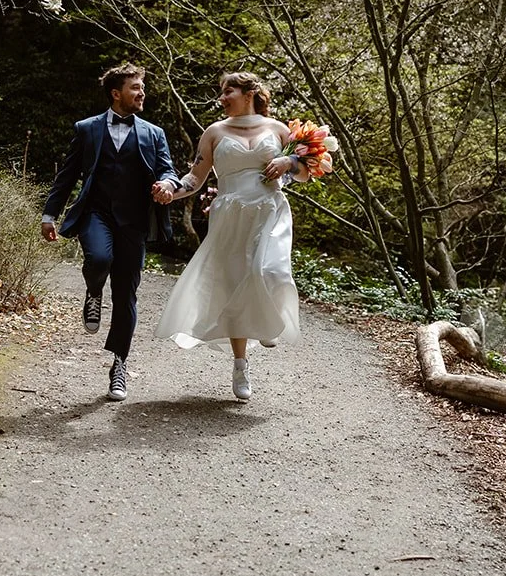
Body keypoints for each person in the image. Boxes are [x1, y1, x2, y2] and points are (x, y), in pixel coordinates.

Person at [151, 71, 316, 401]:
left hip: (270, 209)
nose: (222, 98)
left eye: (229, 91)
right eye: (221, 93)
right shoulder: (214, 132)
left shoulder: (279, 130)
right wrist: (171, 189)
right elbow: (195, 178)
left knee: (268, 270)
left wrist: (289, 161)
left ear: (250, 92)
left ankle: (268, 320)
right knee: (232, 285)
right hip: (230, 216)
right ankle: (240, 364)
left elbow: (306, 174)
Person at [42, 63, 178, 401]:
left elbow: (167, 169)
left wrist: (168, 184)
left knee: (127, 295)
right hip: (95, 213)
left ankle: (119, 365)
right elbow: (68, 175)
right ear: (116, 93)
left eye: (142, 87)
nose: (141, 92)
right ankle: (92, 292)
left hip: (134, 221)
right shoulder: (87, 129)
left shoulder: (153, 133)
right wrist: (49, 214)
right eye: (135, 87)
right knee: (99, 259)